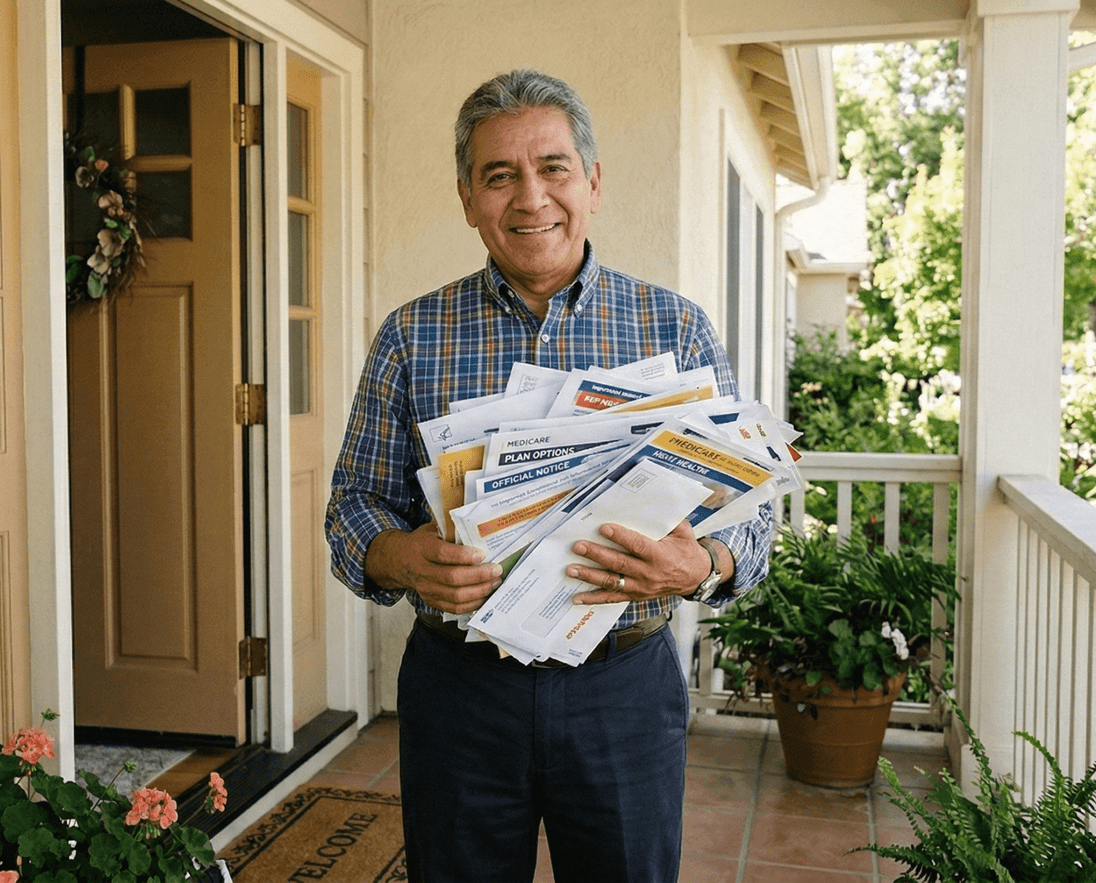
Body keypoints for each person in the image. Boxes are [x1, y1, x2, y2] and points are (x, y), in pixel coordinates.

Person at [325, 69, 774, 883]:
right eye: (500, 175)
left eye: (553, 168)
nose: (530, 197)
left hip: (624, 687)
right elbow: (351, 506)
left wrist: (704, 563)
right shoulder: (410, 335)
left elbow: (747, 509)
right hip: (459, 690)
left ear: (593, 183)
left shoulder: (674, 327)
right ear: (468, 199)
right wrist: (400, 557)